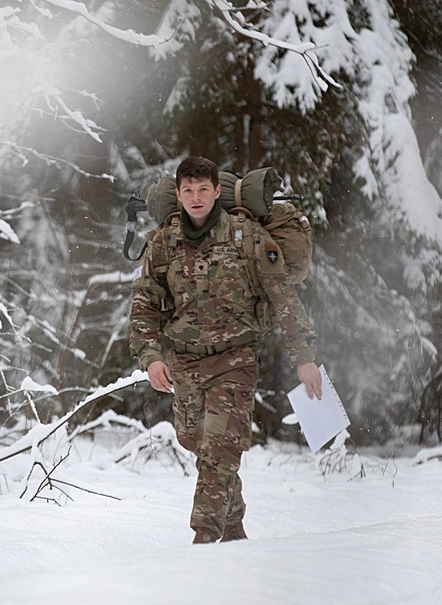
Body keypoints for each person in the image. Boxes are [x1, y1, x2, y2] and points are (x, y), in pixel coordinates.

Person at [129, 156, 322, 544]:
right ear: (179, 194)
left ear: (218, 191)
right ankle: (233, 529)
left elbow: (281, 295)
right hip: (184, 361)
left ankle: (205, 540)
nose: (196, 197)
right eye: (188, 190)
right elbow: (144, 305)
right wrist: (150, 357)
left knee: (219, 449)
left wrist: (304, 358)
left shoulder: (246, 235)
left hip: (235, 359)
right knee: (197, 444)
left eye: (203, 189)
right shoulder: (164, 241)